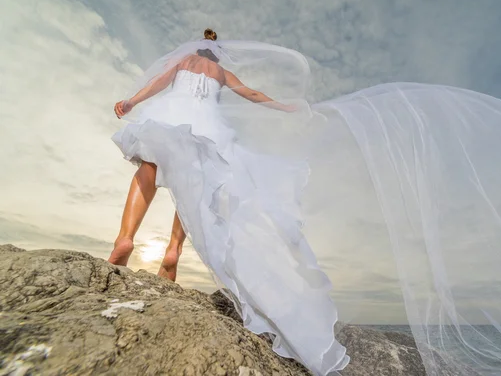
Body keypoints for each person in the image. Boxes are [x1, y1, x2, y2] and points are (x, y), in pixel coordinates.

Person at [109, 29, 350, 375]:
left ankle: (125, 237)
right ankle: (173, 249)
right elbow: (250, 93)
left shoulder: (182, 61)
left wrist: (132, 101)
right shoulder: (220, 72)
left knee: (148, 164)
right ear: (218, 54)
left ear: (196, 48)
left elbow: (159, 83)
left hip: (171, 111)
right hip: (209, 125)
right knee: (192, 185)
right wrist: (283, 106)